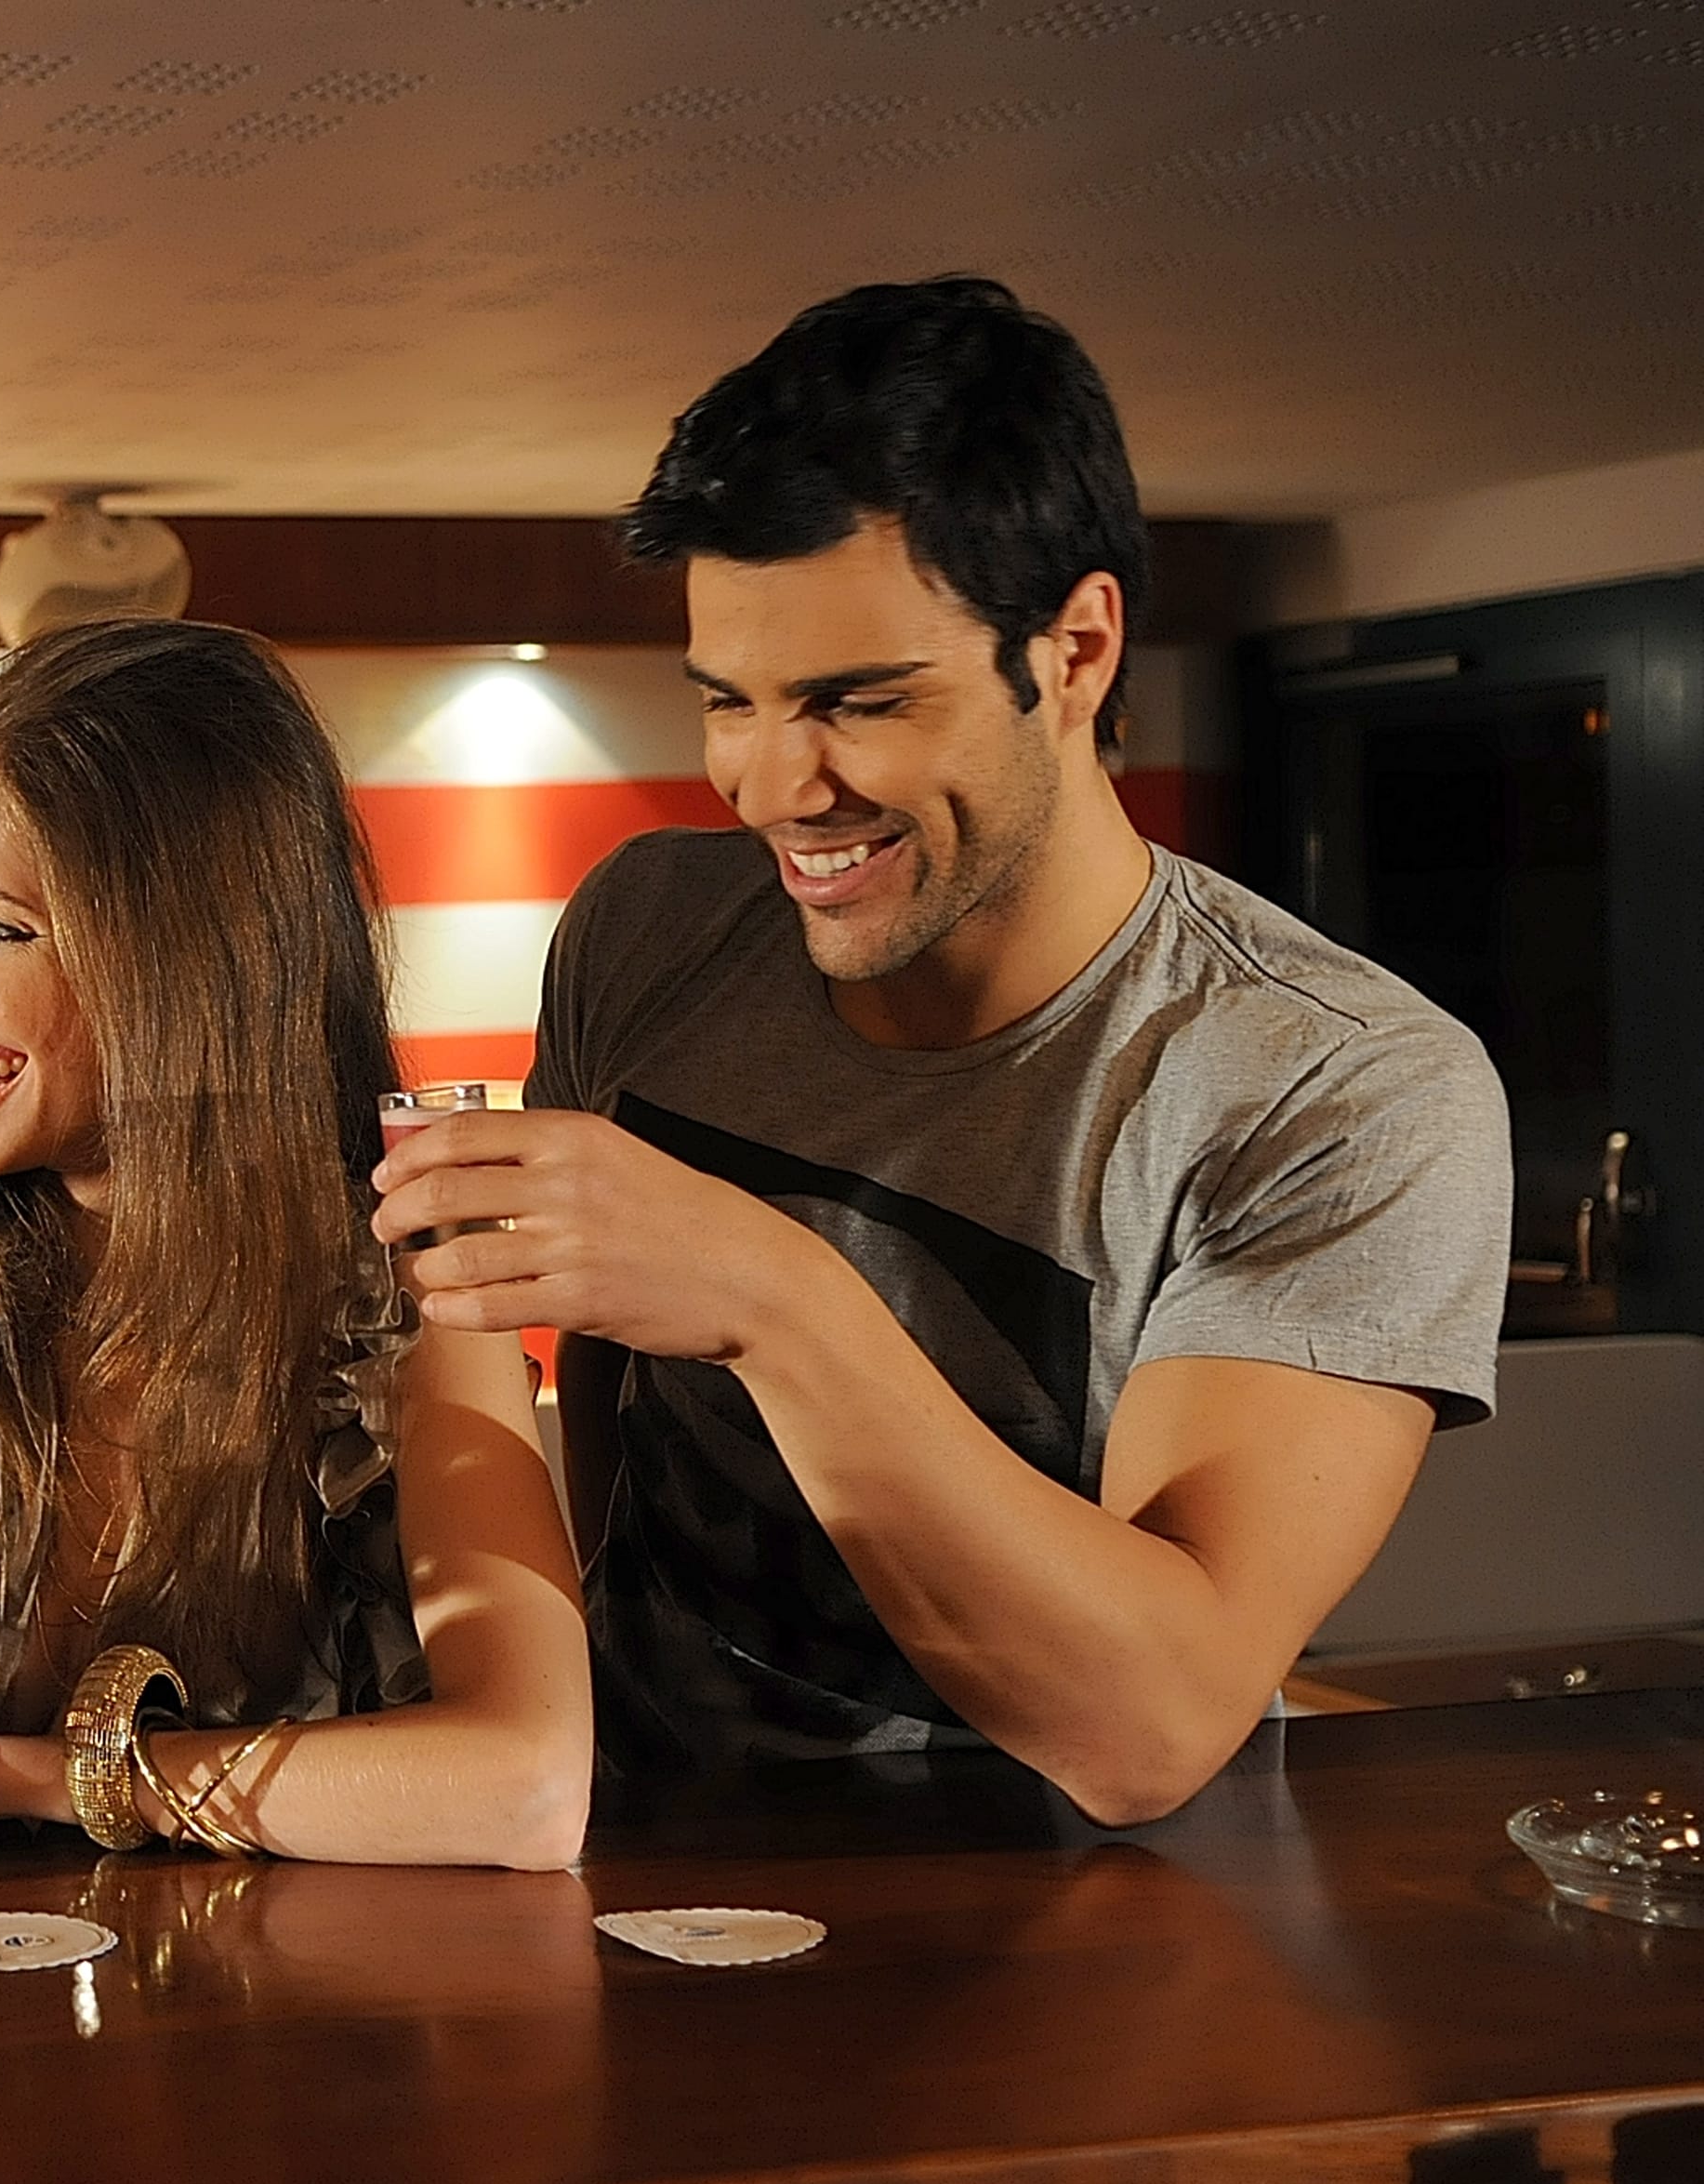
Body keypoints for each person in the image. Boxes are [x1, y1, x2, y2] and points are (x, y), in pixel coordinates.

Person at [372, 278, 1513, 1826]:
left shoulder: (1334, 1086)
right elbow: (602, 1384)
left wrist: (773, 1299)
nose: (775, 785)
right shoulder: (647, 923)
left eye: (858, 702)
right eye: (728, 702)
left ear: (1077, 651)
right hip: (633, 1843)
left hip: (1043, 1923)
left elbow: (1149, 1728)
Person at [0, 616, 592, 1875]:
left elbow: (523, 1788)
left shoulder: (410, 1276)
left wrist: (8, 1778)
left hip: (282, 2037)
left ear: (196, 959)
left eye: (0, 927)